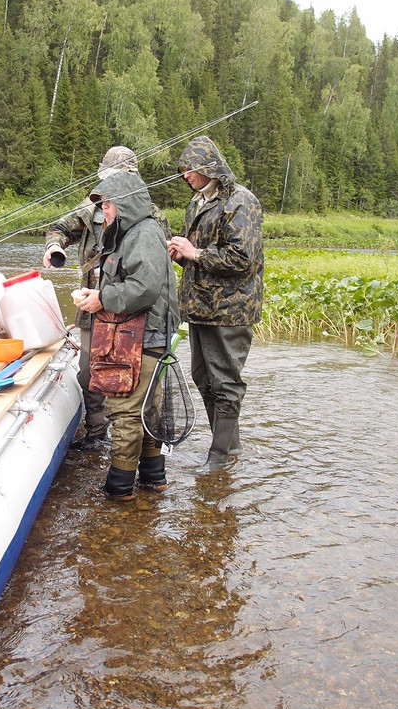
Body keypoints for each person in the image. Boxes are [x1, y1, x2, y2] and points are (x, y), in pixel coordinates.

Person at [44, 146, 170, 452]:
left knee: (132, 377)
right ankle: (97, 431)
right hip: (91, 303)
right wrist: (54, 246)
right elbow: (59, 228)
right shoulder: (90, 207)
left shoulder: (151, 216)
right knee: (89, 371)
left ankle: (137, 439)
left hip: (132, 314)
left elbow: (154, 273)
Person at [73, 169, 179, 500]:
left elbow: (144, 288)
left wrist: (102, 299)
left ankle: (118, 489)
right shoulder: (131, 232)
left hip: (143, 337)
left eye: (107, 204)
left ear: (126, 203)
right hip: (143, 336)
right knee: (147, 410)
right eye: (101, 205)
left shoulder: (143, 233)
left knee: (125, 411)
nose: (102, 210)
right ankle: (153, 478)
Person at [167, 135, 263, 470]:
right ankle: (231, 448)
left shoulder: (241, 201)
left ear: (209, 167)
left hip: (230, 310)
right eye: (183, 170)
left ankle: (219, 458)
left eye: (191, 169)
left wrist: (195, 253)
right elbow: (202, 258)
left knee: (226, 382)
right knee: (203, 378)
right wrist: (183, 255)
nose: (186, 176)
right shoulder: (196, 202)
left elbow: (242, 257)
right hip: (200, 308)